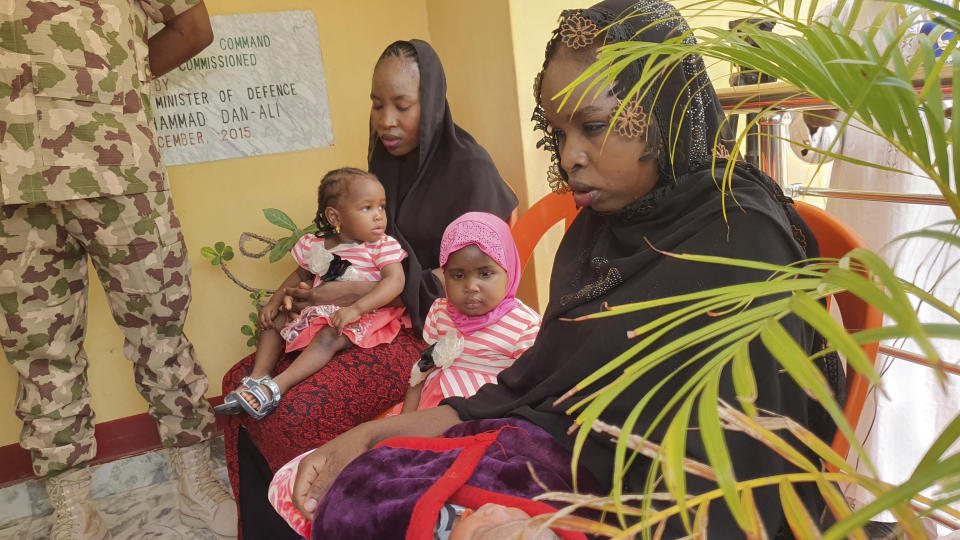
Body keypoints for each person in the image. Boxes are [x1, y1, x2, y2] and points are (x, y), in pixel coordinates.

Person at [288, 1, 829, 538]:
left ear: (662, 109)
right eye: (558, 131)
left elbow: (737, 488)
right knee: (357, 490)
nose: (569, 155)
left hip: (661, 512)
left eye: (592, 126)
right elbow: (530, 395)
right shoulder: (601, 229)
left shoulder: (741, 245)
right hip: (567, 459)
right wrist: (361, 440)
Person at [219, 39, 517, 538]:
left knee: (294, 412)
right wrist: (302, 287)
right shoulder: (383, 165)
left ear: (433, 103)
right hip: (363, 316)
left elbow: (478, 287)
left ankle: (324, 519)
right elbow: (355, 245)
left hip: (428, 337)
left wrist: (353, 291)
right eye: (377, 105)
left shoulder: (470, 172)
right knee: (238, 379)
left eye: (402, 105)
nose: (386, 120)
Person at [0, 1, 237, 539]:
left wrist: (113, 89)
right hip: (10, 186)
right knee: (39, 353)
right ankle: (74, 513)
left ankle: (195, 487)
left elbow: (191, 28)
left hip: (118, 167)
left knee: (161, 331)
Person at [788, 1, 960, 527]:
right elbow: (807, 138)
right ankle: (872, 508)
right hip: (866, 224)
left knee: (936, 375)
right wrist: (820, 102)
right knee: (869, 378)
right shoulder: (847, 11)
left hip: (941, 233)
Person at [263, 211, 539, 538]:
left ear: (509, 270)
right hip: (432, 406)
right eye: (458, 275)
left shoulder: (523, 325)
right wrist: (405, 420)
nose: (471, 287)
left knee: (462, 473)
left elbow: (528, 389)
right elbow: (425, 366)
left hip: (485, 415)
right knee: (405, 464)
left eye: (485, 273)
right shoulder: (440, 312)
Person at [216, 168, 407, 419]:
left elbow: (396, 281)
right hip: (320, 310)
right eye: (366, 208)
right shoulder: (315, 245)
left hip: (363, 313)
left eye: (381, 207)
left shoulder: (381, 246)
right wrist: (274, 302)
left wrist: (356, 309)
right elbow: (299, 276)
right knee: (275, 318)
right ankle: (257, 377)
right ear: (334, 216)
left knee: (329, 336)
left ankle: (276, 388)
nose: (379, 216)